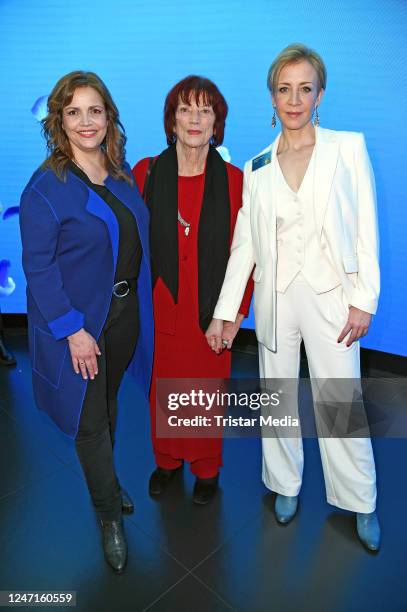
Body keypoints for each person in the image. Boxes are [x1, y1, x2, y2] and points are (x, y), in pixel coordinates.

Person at [206, 44, 380, 551]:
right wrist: (226, 314)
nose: (294, 99)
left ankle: (360, 500)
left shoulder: (347, 148)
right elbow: (245, 245)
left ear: (319, 94)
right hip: (276, 302)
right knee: (276, 396)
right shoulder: (258, 167)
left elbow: (366, 225)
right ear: (272, 97)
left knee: (340, 402)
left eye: (305, 88)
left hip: (332, 299)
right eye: (285, 89)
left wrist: (364, 299)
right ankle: (284, 484)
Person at [19, 71, 153, 573]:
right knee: (89, 422)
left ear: (108, 115)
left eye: (93, 110)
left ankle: (110, 483)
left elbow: (134, 243)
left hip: (123, 317)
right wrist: (73, 331)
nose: (85, 121)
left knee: (110, 403)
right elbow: (38, 267)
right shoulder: (45, 187)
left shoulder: (120, 173)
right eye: (73, 112)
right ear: (59, 120)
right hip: (79, 329)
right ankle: (108, 517)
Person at [133, 75, 253, 505]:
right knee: (161, 388)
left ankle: (205, 468)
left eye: (206, 110)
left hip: (210, 309)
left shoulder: (237, 181)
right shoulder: (146, 172)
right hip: (160, 305)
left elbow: (247, 256)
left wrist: (237, 314)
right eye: (186, 109)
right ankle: (166, 462)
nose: (196, 118)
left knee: (205, 391)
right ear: (172, 120)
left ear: (217, 121)